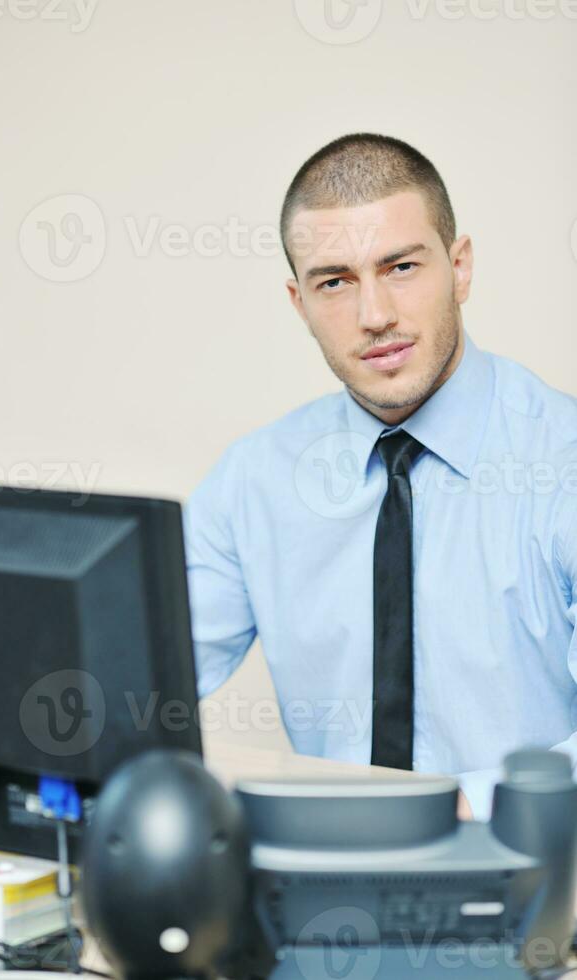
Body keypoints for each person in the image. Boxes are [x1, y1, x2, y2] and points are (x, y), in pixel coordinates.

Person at [183, 133, 577, 822]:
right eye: (334, 281)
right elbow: (128, 674)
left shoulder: (562, 460)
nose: (374, 316)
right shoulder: (254, 481)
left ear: (460, 268)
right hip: (317, 894)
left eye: (400, 267)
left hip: (538, 882)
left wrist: (465, 806)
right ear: (298, 302)